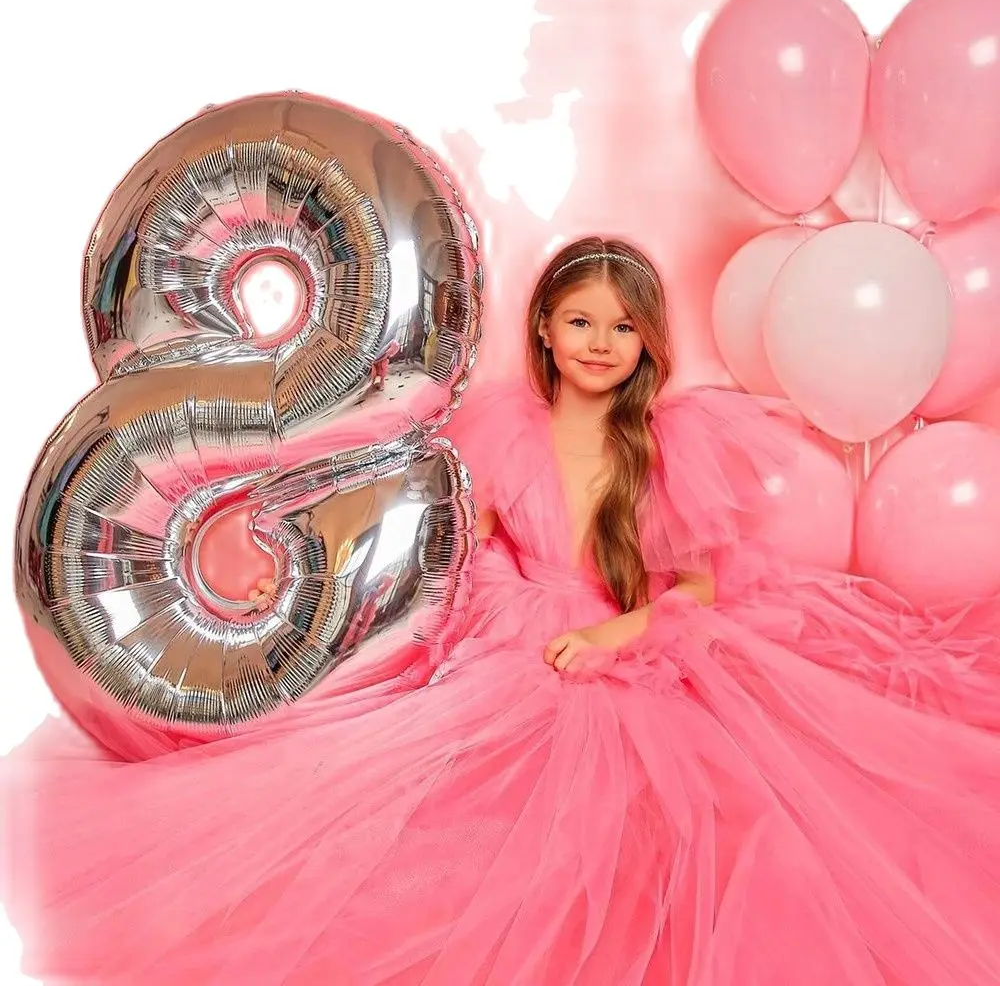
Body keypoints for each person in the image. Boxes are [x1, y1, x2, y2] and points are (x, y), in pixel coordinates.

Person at [3, 236, 1000, 986]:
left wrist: (615, 631)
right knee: (450, 804)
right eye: (580, 321)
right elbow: (450, 543)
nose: (599, 343)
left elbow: (693, 585)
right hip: (513, 633)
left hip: (630, 640)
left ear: (648, 340)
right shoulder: (504, 430)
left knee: (702, 812)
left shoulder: (670, 441)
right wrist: (313, 577)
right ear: (544, 331)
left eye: (621, 326)